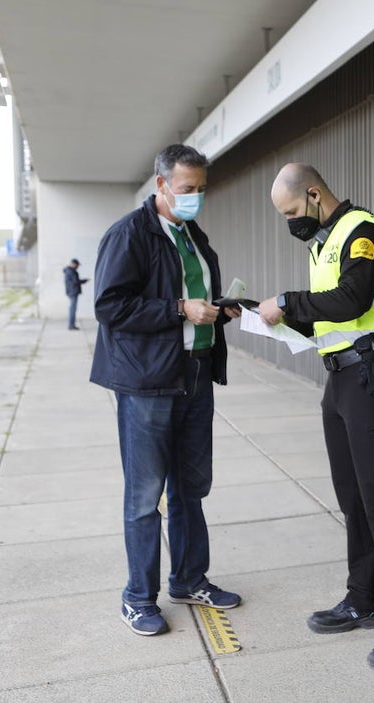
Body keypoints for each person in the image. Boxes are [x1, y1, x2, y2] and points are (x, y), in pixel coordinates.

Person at [256, 163, 374, 673]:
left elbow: (353, 299)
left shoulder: (362, 231)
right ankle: (365, 597)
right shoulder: (321, 243)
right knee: (354, 496)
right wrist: (263, 311)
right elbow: (326, 312)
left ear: (314, 194)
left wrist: (288, 300)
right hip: (342, 380)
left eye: (294, 211)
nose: (292, 223)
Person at [90, 144, 244, 636]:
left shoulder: (192, 233)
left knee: (190, 489)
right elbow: (110, 307)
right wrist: (179, 309)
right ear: (160, 184)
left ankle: (189, 579)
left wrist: (220, 309)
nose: (195, 197)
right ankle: (137, 597)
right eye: (186, 189)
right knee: (144, 495)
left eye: (201, 189)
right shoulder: (129, 235)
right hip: (148, 383)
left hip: (195, 376)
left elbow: (195, 299)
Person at [63, 259, 88, 330]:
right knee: (73, 309)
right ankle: (71, 325)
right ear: (73, 264)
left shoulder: (68, 271)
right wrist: (85, 280)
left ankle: (72, 324)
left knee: (72, 308)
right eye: (77, 265)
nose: (77, 267)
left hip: (71, 292)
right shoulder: (71, 271)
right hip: (73, 292)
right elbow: (76, 281)